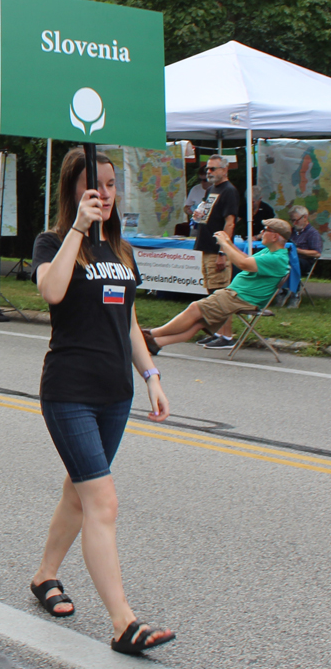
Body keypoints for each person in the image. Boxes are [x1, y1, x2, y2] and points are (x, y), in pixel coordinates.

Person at [30, 148, 175, 655]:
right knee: (102, 501)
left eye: (112, 185)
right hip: (69, 391)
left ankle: (45, 576)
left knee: (79, 491)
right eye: (95, 186)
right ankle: (124, 623)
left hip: (116, 393)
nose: (106, 194)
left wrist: (152, 374)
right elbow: (51, 291)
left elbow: (128, 321)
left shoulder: (123, 251)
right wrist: (76, 230)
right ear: (74, 189)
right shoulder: (53, 241)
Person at [141, 218, 291, 353]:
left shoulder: (277, 258)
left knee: (195, 308)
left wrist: (224, 244)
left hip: (239, 297)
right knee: (199, 322)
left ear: (275, 236)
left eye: (266, 230)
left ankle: (150, 334)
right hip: (238, 295)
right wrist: (230, 244)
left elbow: (242, 263)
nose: (262, 232)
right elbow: (247, 258)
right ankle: (156, 343)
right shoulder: (270, 252)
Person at [192, 154, 240, 349]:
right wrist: (198, 215)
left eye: (213, 169)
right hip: (205, 245)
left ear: (224, 170)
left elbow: (230, 222)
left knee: (221, 293)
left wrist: (223, 251)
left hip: (216, 249)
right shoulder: (212, 189)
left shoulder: (229, 191)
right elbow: (205, 213)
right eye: (207, 169)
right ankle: (217, 332)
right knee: (212, 292)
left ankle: (227, 337)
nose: (209, 172)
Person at [286, 206, 323, 307]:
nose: (293, 223)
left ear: (305, 217)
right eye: (292, 220)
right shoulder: (291, 232)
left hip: (305, 261)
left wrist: (298, 251)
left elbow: (317, 253)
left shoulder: (313, 233)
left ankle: (295, 294)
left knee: (293, 263)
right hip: (290, 258)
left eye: (296, 220)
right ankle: (282, 291)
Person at [184, 166, 212, 237]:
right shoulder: (195, 189)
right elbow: (186, 207)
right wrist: (189, 211)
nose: (202, 182)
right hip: (197, 226)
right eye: (200, 179)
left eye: (205, 180)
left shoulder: (218, 190)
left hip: (212, 226)